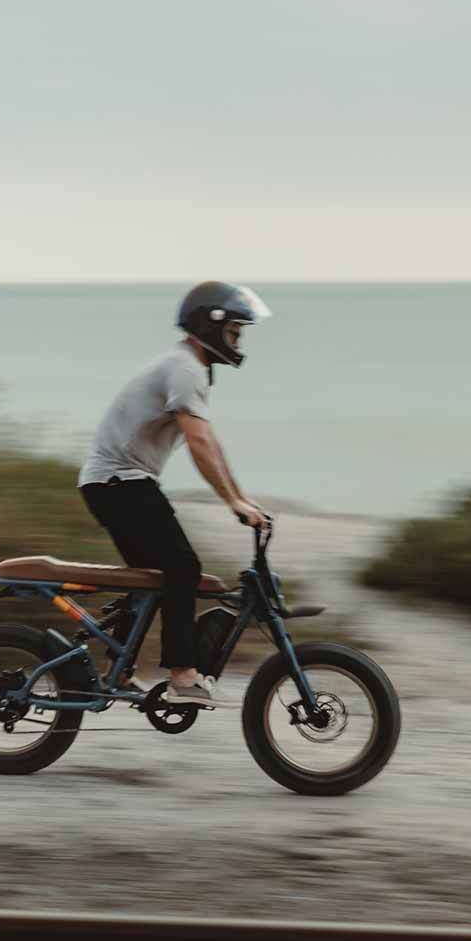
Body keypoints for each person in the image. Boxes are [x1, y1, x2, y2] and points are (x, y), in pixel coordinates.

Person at [77, 281, 274, 706]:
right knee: (182, 566)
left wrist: (242, 498)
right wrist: (232, 503)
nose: (238, 340)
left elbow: (211, 443)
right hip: (119, 481)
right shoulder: (184, 368)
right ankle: (183, 676)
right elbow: (199, 445)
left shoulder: (189, 368)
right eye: (234, 331)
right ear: (210, 324)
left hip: (113, 482)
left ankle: (117, 670)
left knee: (152, 579)